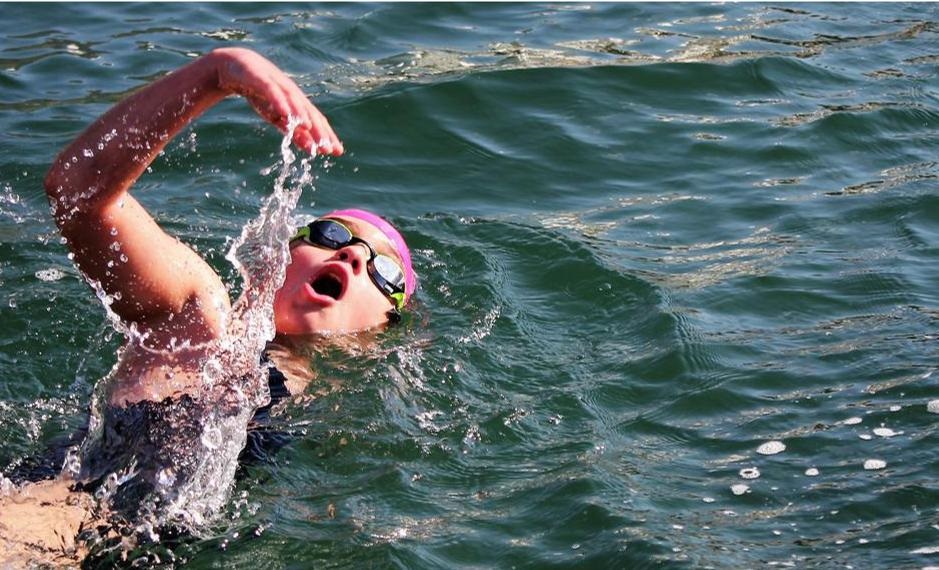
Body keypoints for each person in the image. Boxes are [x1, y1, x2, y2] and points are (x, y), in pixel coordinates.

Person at [0, 47, 416, 565]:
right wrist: (214, 74)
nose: (352, 256)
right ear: (279, 255)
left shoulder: (336, 412)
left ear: (385, 324)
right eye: (332, 235)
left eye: (384, 272)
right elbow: (77, 191)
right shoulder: (202, 319)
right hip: (34, 529)